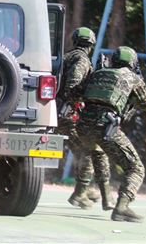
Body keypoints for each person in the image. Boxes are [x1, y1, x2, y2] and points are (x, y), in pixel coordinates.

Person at [76, 46, 146, 222]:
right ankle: (122, 208)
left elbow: (79, 93)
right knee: (136, 168)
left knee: (98, 153)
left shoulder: (98, 73)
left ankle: (105, 197)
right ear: (132, 62)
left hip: (82, 126)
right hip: (104, 126)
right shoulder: (131, 77)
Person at [58, 27, 114, 210]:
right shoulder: (81, 60)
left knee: (86, 152)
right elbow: (72, 86)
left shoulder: (68, 56)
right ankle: (79, 194)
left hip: (60, 112)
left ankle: (86, 190)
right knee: (86, 152)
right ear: (91, 43)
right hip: (68, 113)